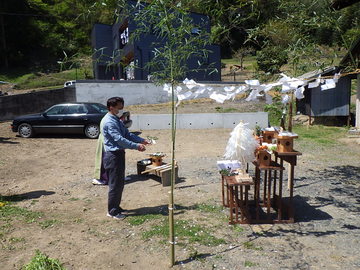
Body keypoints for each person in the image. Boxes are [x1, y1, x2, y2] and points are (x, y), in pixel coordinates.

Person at [102, 97, 150, 220]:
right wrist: (136, 146)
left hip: (118, 154)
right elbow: (119, 139)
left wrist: (141, 140)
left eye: (122, 108)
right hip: (113, 156)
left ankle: (116, 207)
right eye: (119, 108)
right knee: (115, 184)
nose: (121, 110)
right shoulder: (109, 122)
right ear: (111, 107)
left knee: (119, 183)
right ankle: (112, 211)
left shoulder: (116, 119)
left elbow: (127, 134)